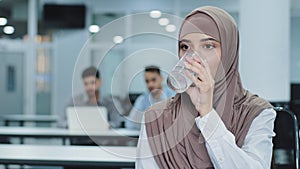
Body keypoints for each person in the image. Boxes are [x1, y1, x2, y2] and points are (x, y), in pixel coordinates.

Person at [136, 6, 276, 169]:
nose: (193, 59)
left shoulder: (256, 113)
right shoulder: (156, 118)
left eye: (208, 46)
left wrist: (207, 114)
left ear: (229, 53)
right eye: (185, 47)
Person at [57, 66, 124, 129]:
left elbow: (116, 122)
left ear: (100, 82)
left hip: (101, 139)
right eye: (86, 84)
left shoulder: (110, 103)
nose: (89, 87)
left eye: (92, 83)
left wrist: (108, 126)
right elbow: (60, 121)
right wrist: (71, 125)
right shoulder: (74, 101)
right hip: (79, 139)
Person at [125, 65, 175, 130]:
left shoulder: (173, 96)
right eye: (147, 81)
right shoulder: (142, 100)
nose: (150, 84)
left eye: (153, 80)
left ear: (161, 78)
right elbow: (129, 124)